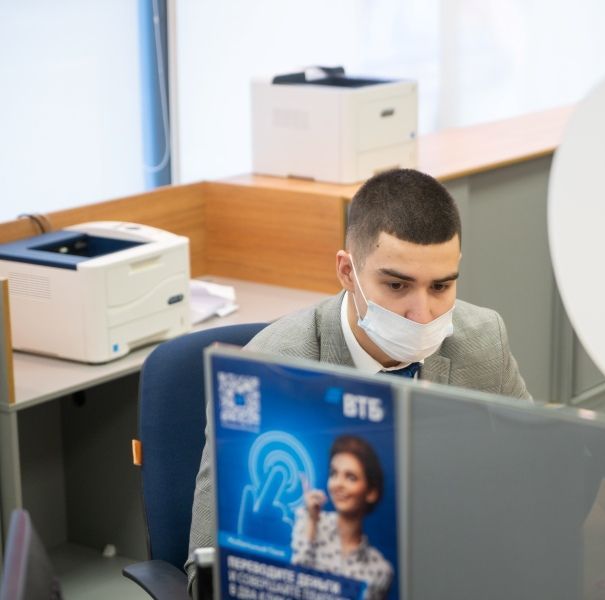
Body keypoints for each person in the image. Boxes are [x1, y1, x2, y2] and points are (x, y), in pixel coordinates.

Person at [186, 168, 531, 589]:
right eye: (397, 285)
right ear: (348, 272)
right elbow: (205, 570)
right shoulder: (267, 371)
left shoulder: (483, 341)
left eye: (441, 287)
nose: (422, 314)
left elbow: (537, 473)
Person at [292, 436, 392, 600]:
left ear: (371, 492)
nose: (338, 484)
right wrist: (311, 523)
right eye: (334, 474)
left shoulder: (380, 570)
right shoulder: (307, 521)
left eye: (351, 477)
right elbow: (292, 585)